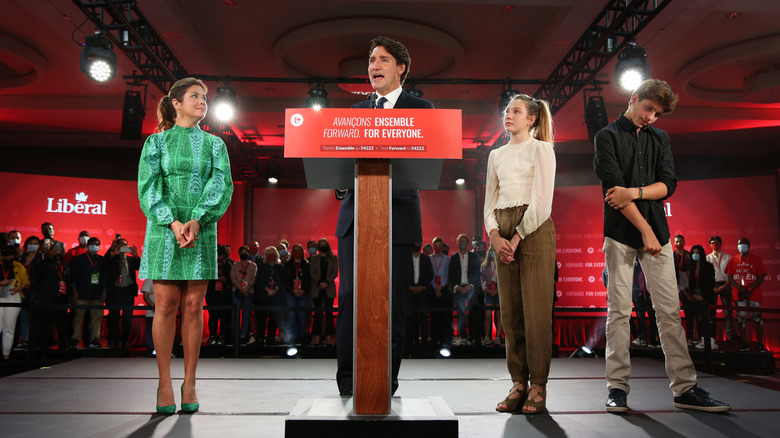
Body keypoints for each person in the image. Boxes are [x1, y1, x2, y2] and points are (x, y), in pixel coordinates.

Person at [594, 78, 729, 413]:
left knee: (669, 311)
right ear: (634, 98)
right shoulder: (607, 136)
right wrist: (646, 231)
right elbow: (614, 193)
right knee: (619, 313)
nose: (651, 117)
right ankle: (617, 389)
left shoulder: (660, 138)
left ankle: (684, 388)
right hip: (623, 234)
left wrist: (637, 193)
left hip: (658, 234)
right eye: (648, 108)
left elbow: (668, 185)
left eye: (657, 114)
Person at [335, 36, 434, 397]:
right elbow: (339, 164)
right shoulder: (356, 112)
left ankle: (384, 383)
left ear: (401, 68)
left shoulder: (421, 109)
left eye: (383, 60)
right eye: (371, 60)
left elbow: (424, 160)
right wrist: (342, 184)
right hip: (354, 220)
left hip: (398, 219)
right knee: (350, 300)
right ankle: (348, 383)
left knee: (392, 306)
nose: (373, 66)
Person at [138, 77, 233, 414]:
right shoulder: (155, 143)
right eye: (195, 96)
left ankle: (189, 382)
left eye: (205, 97)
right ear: (176, 103)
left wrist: (197, 219)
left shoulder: (215, 144)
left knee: (194, 306)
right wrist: (173, 221)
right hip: (165, 230)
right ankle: (164, 381)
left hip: (201, 229)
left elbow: (221, 184)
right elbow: (148, 188)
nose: (203, 101)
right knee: (164, 305)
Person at [485, 93, 556, 414]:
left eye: (516, 111)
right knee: (509, 311)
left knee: (536, 310)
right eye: (506, 110)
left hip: (534, 227)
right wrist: (495, 235)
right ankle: (518, 382)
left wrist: (516, 237)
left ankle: (538, 384)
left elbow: (542, 200)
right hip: (503, 226)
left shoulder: (542, 149)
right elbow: (490, 201)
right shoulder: (496, 155)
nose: (508, 115)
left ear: (532, 119)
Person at [726, 237, 767, 353]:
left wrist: (749, 288)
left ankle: (760, 344)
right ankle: (744, 344)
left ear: (749, 246)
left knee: (758, 319)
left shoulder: (756, 259)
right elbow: (729, 276)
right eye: (740, 244)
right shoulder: (733, 260)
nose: (741, 246)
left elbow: (761, 277)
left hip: (754, 295)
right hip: (739, 295)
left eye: (744, 244)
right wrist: (739, 288)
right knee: (741, 319)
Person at [69, 237, 106, 350]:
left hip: (97, 293)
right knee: (78, 317)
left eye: (97, 244)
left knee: (96, 318)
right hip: (81, 293)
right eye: (92, 244)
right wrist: (74, 291)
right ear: (88, 245)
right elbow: (73, 276)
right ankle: (75, 339)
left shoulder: (102, 260)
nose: (94, 246)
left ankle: (95, 339)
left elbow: (105, 278)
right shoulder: (79, 259)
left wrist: (104, 292)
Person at [104, 237, 141, 349]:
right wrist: (111, 251)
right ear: (116, 246)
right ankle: (115, 340)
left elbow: (140, 267)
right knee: (113, 318)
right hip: (115, 292)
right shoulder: (112, 259)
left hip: (128, 292)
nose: (122, 246)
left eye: (125, 244)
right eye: (120, 244)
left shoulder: (130, 260)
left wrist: (135, 255)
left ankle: (125, 340)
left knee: (127, 318)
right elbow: (104, 264)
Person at [449, 233, 481, 345]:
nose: (461, 243)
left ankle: (474, 337)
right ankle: (463, 337)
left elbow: (477, 273)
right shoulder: (453, 258)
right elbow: (451, 275)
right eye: (459, 241)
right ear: (457, 243)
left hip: (470, 288)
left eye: (463, 241)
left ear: (467, 243)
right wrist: (457, 287)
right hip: (458, 289)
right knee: (460, 313)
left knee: (474, 313)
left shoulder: (474, 257)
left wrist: (471, 286)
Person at [1, 245, 31, 360]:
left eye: (9, 255)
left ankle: (6, 354)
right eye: (5, 255)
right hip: (0, 296)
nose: (7, 258)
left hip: (13, 296)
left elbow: (26, 281)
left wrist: (19, 288)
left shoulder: (19, 266)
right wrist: (1, 283)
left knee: (9, 326)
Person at [309, 238, 338, 346]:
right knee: (317, 313)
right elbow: (312, 272)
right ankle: (316, 336)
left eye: (324, 244)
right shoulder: (314, 258)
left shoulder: (334, 258)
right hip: (317, 288)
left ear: (328, 246)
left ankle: (329, 337)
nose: (322, 246)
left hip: (329, 287)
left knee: (329, 314)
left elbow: (335, 272)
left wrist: (326, 282)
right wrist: (319, 282)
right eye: (320, 244)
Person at [255, 246, 285, 346]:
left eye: (273, 253)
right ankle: (260, 338)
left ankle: (270, 338)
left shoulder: (280, 266)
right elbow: (258, 280)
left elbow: (282, 280)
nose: (271, 255)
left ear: (276, 255)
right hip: (262, 295)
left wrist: (275, 289)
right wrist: (267, 289)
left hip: (276, 296)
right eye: (269, 253)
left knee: (273, 318)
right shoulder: (261, 265)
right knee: (261, 318)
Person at [688, 245, 717, 350]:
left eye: (697, 253)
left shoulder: (708, 266)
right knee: (699, 319)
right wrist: (693, 295)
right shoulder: (691, 267)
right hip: (695, 297)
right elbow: (689, 284)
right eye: (693, 253)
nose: (695, 255)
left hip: (707, 297)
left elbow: (711, 284)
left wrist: (703, 297)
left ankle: (712, 340)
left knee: (709, 319)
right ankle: (703, 339)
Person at [706, 236, 733, 341]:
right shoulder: (707, 258)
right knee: (711, 314)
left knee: (728, 314)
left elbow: (731, 275)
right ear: (710, 245)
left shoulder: (728, 257)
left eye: (717, 243)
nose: (715, 244)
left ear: (721, 244)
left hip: (725, 285)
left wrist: (724, 287)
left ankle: (730, 337)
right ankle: (712, 338)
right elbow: (706, 276)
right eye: (712, 243)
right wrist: (713, 287)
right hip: (712, 287)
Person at [407, 241, 433, 345]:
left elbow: (430, 274)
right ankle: (410, 339)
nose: (416, 245)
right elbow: (403, 274)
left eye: (418, 243)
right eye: (415, 243)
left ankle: (425, 338)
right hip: (410, 291)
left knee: (423, 315)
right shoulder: (406, 259)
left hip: (423, 291)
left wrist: (422, 287)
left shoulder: (426, 259)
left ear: (421, 245)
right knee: (409, 315)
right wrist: (410, 287)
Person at [284, 244, 311, 345]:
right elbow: (285, 280)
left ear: (302, 252)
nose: (296, 252)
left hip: (303, 293)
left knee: (301, 315)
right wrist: (293, 291)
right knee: (291, 315)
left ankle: (300, 337)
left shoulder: (306, 264)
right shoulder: (287, 264)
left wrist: (303, 290)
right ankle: (291, 337)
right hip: (290, 293)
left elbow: (309, 279)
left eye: (299, 250)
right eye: (294, 250)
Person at [206, 245, 233, 345]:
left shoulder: (228, 265)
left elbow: (232, 280)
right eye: (218, 255)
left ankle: (222, 336)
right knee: (213, 317)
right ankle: (212, 336)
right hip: (212, 295)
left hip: (224, 295)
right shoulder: (210, 265)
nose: (220, 257)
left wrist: (225, 280)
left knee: (223, 317)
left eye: (221, 255)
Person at [230, 246, 257, 346]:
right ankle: (235, 335)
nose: (244, 254)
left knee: (246, 315)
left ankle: (243, 336)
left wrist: (246, 289)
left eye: (246, 252)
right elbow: (233, 278)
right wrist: (240, 289)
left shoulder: (253, 265)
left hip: (249, 292)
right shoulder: (235, 265)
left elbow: (253, 279)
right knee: (235, 315)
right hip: (236, 292)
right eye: (242, 252)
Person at [429, 237, 451, 345]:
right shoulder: (429, 259)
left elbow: (447, 275)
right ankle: (434, 338)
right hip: (432, 290)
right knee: (433, 316)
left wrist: (441, 286)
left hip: (444, 289)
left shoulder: (447, 259)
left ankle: (444, 338)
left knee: (444, 315)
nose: (438, 247)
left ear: (442, 246)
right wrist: (435, 286)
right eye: (435, 245)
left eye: (439, 245)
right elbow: (429, 274)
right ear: (433, 246)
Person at [481, 247, 501, 345]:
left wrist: (498, 290)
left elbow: (503, 280)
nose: (493, 253)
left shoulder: (501, 264)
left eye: (495, 251)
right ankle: (486, 337)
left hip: (498, 290)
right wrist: (487, 290)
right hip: (488, 290)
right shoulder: (484, 266)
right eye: (491, 252)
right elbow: (483, 280)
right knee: (487, 315)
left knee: (498, 315)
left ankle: (498, 337)